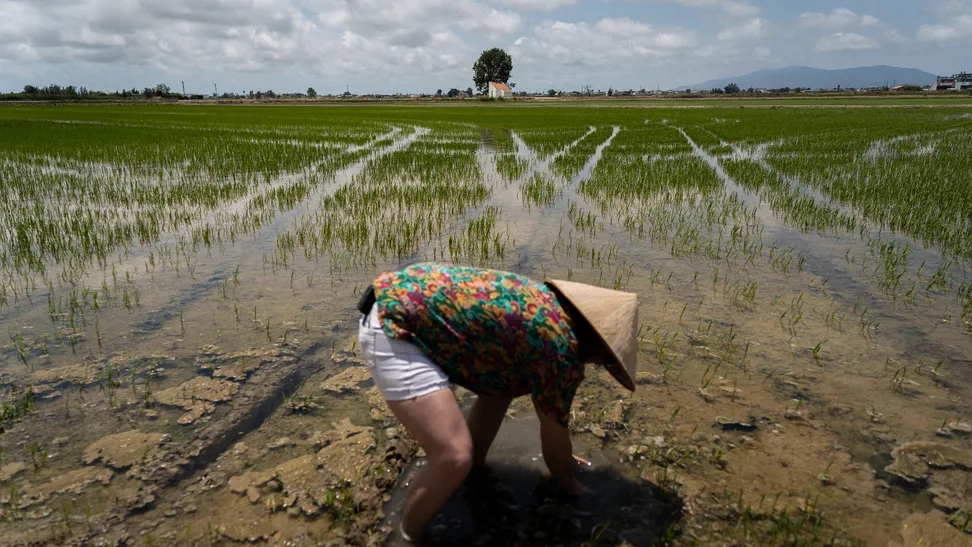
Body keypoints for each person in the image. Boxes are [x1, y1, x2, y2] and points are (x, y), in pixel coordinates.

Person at [357, 262, 638, 542]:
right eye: (605, 360)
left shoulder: (546, 306)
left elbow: (508, 399)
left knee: (499, 392)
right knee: (454, 456)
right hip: (392, 326)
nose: (597, 364)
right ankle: (407, 536)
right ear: (598, 347)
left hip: (397, 295)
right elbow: (553, 444)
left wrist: (561, 454)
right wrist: (573, 486)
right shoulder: (561, 350)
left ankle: (473, 473)